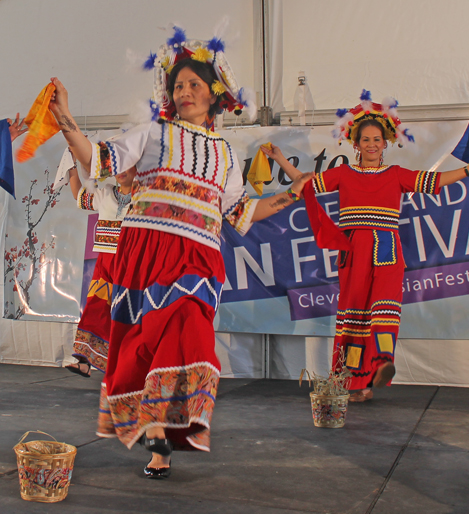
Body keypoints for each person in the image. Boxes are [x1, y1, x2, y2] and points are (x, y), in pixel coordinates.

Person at [48, 28, 313, 478]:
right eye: (178, 85)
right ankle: (158, 442)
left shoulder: (226, 155)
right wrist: (67, 119)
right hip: (145, 254)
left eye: (194, 83)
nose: (185, 90)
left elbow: (241, 211)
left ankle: (165, 424)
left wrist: (294, 196)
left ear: (214, 92)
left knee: (190, 329)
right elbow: (98, 160)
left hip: (197, 257)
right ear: (169, 96)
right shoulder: (152, 134)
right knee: (143, 345)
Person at [262, 92, 469, 403]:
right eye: (366, 140)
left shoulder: (396, 175)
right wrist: (281, 159)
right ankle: (358, 384)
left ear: (386, 142)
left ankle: (381, 363)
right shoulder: (344, 175)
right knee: (354, 315)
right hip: (354, 251)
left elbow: (431, 181)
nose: (372, 145)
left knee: (383, 307)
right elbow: (306, 185)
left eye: (377, 139)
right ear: (356, 144)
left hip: (387, 249)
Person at [65, 161, 136, 377]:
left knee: (128, 315)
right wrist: (71, 168)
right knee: (95, 309)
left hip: (132, 265)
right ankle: (84, 360)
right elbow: (80, 197)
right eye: (118, 167)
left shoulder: (147, 198)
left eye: (128, 165)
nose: (121, 171)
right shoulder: (105, 194)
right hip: (105, 264)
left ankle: (130, 368)